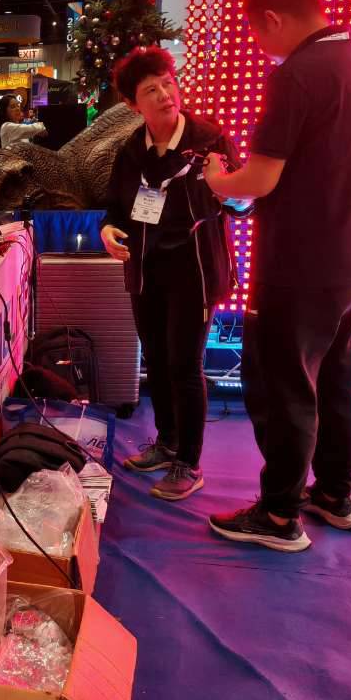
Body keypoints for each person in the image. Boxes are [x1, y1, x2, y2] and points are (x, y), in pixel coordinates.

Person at [202, 0, 351, 552]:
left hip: (300, 263)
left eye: (257, 34)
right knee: (337, 376)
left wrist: (218, 178)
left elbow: (259, 180)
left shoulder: (297, 75)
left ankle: (277, 515)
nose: (260, 47)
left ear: (272, 18)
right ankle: (336, 494)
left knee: (282, 384)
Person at [101, 46, 245, 501]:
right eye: (151, 90)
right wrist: (107, 230)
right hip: (146, 271)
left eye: (168, 84)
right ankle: (166, 443)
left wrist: (228, 190)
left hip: (194, 271)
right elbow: (116, 208)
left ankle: (189, 461)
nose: (165, 94)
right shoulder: (131, 149)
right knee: (157, 361)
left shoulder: (209, 140)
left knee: (184, 364)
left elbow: (245, 203)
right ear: (133, 104)